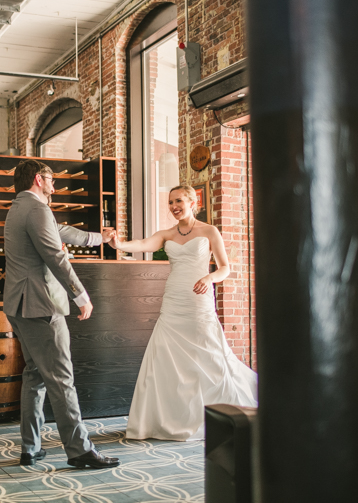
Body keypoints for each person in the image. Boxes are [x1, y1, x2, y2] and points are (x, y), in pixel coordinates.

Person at [110, 185, 257, 441]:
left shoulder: (209, 231)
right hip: (174, 301)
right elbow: (144, 244)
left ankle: (219, 413)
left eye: (178, 201)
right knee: (167, 357)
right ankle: (170, 418)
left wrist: (210, 277)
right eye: (170, 202)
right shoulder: (167, 234)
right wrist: (118, 243)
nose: (173, 206)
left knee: (208, 352)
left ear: (192, 201)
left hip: (199, 299)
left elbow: (225, 268)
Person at [3, 159, 120, 469]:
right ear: (39, 180)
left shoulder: (19, 207)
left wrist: (100, 238)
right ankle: (80, 450)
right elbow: (56, 255)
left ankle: (31, 447)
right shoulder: (37, 208)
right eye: (51, 180)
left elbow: (62, 232)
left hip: (19, 305)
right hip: (41, 305)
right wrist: (80, 294)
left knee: (35, 375)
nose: (54, 186)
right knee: (61, 378)